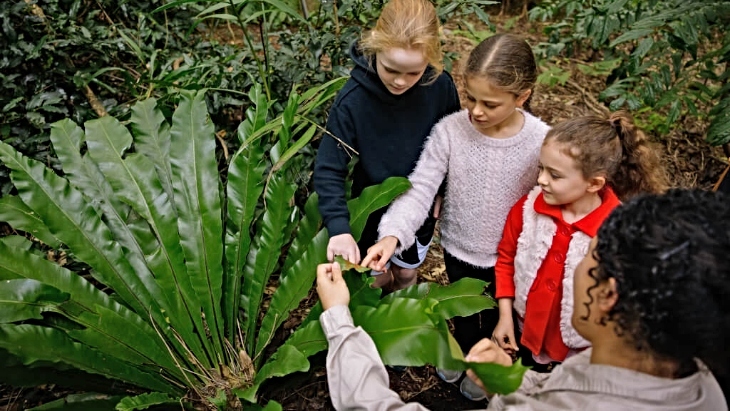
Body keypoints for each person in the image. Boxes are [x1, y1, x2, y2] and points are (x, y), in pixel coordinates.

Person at [316, 188, 729, 410]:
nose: (581, 266)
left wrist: (339, 320)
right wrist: (516, 381)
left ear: (607, 295)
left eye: (591, 257)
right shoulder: (698, 383)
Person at [360, 33, 549, 400]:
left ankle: (488, 378)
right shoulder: (450, 131)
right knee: (463, 314)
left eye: (490, 104)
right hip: (460, 250)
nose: (476, 111)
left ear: (522, 96)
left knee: (501, 322)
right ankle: (462, 357)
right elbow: (420, 189)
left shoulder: (541, 140)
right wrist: (392, 236)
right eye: (471, 97)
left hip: (512, 260)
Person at [491, 112, 668, 370]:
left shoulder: (618, 232)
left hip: (580, 351)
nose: (541, 180)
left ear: (594, 183)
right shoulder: (529, 208)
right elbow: (506, 259)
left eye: (555, 175)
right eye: (541, 169)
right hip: (524, 329)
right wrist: (505, 316)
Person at [313, 0, 461, 292]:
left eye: (413, 73)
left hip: (419, 203)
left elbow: (454, 142)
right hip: (373, 207)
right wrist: (340, 229)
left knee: (406, 275)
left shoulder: (440, 86)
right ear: (375, 48)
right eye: (390, 69)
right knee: (375, 279)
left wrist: (444, 189)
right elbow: (330, 167)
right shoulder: (353, 100)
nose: (400, 81)